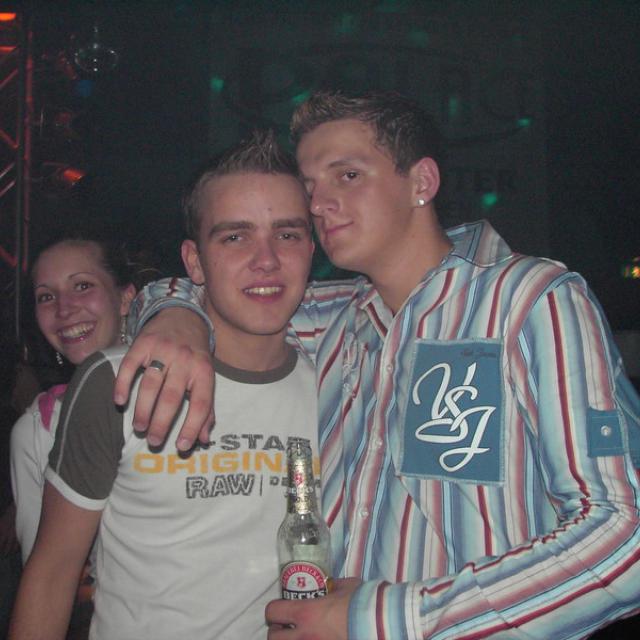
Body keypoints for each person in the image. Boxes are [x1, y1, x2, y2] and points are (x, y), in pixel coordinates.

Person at [117, 90, 640, 639]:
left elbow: (625, 535)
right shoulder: (330, 319)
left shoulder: (527, 300)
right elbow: (218, 289)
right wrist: (176, 315)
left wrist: (384, 618)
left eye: (347, 176)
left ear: (421, 182)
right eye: (310, 188)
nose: (319, 204)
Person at [9, 130, 319, 640]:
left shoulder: (337, 384)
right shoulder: (115, 380)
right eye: (235, 237)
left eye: (287, 234)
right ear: (194, 261)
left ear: (311, 246)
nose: (266, 259)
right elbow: (52, 573)